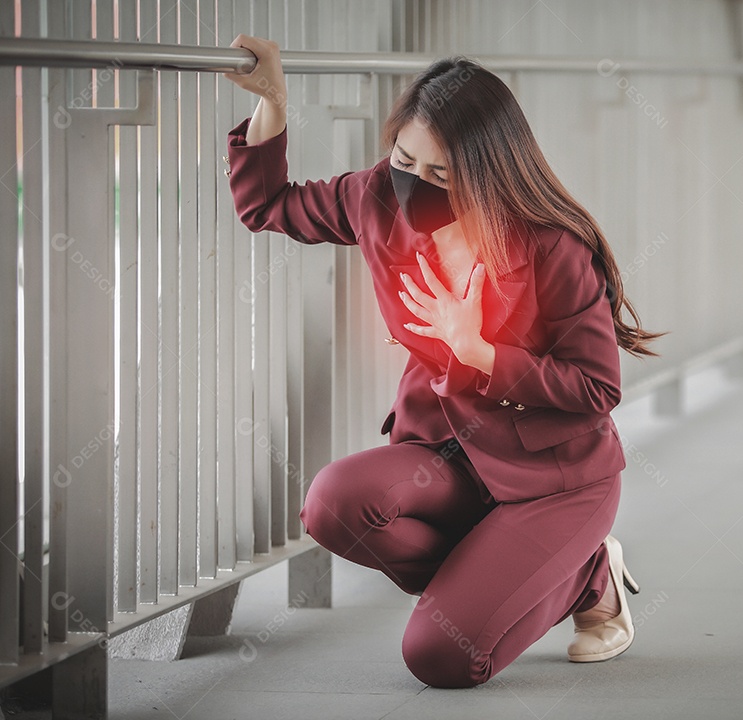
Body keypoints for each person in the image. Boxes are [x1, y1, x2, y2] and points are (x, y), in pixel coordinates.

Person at [224, 34, 661, 689]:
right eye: (404, 160)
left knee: (443, 657)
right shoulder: (376, 199)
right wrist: (274, 105)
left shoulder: (551, 247)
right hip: (446, 453)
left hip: (553, 477)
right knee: (332, 506)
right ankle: (518, 576)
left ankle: (584, 579)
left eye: (441, 177)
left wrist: (480, 352)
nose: (412, 187)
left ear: (488, 174)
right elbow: (268, 205)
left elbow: (597, 388)